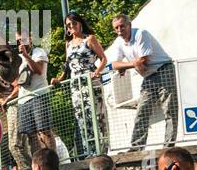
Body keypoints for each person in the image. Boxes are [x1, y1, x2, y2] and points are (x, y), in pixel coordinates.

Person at [106, 12, 176, 148]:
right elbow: (115, 65)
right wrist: (133, 64)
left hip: (164, 70)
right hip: (149, 77)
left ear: (129, 25)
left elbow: (144, 59)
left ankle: (169, 147)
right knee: (142, 111)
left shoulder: (141, 34)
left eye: (122, 26)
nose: (119, 30)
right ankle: (136, 147)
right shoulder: (119, 42)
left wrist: (127, 65)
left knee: (169, 110)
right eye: (116, 28)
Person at [52, 13, 108, 159]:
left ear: (80, 23)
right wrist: (60, 79)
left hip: (90, 81)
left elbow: (103, 58)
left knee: (96, 115)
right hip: (75, 85)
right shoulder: (68, 44)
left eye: (73, 23)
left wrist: (96, 71)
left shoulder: (89, 39)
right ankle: (89, 152)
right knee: (81, 117)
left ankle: (101, 151)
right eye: (68, 25)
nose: (71, 26)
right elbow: (67, 66)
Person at [15, 36, 55, 156]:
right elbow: (18, 82)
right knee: (31, 135)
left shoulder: (38, 52)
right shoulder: (18, 58)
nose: (20, 42)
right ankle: (39, 163)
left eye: (23, 39)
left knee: (44, 131)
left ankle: (53, 161)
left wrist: (27, 56)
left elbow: (38, 70)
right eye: (18, 41)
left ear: (31, 39)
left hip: (39, 95)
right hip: (23, 100)